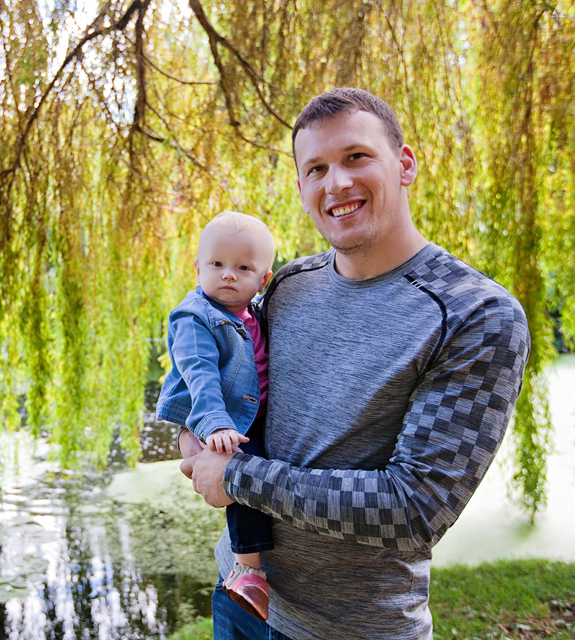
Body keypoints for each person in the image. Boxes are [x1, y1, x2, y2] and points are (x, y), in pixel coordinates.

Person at [178, 88, 531, 640]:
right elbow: (220, 365)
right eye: (316, 168)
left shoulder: (474, 314)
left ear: (404, 164)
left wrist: (237, 477)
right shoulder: (286, 285)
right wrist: (194, 428)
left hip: (352, 629)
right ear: (302, 189)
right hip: (240, 596)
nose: (336, 183)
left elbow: (415, 509)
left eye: (356, 157)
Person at [157, 211, 277, 621]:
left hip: (245, 412)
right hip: (215, 414)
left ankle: (248, 568)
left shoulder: (255, 312)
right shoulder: (195, 316)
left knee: (252, 464)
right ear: (197, 268)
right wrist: (214, 425)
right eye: (217, 264)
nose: (228, 274)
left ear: (263, 279)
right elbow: (200, 374)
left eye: (243, 268)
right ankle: (247, 570)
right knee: (240, 466)